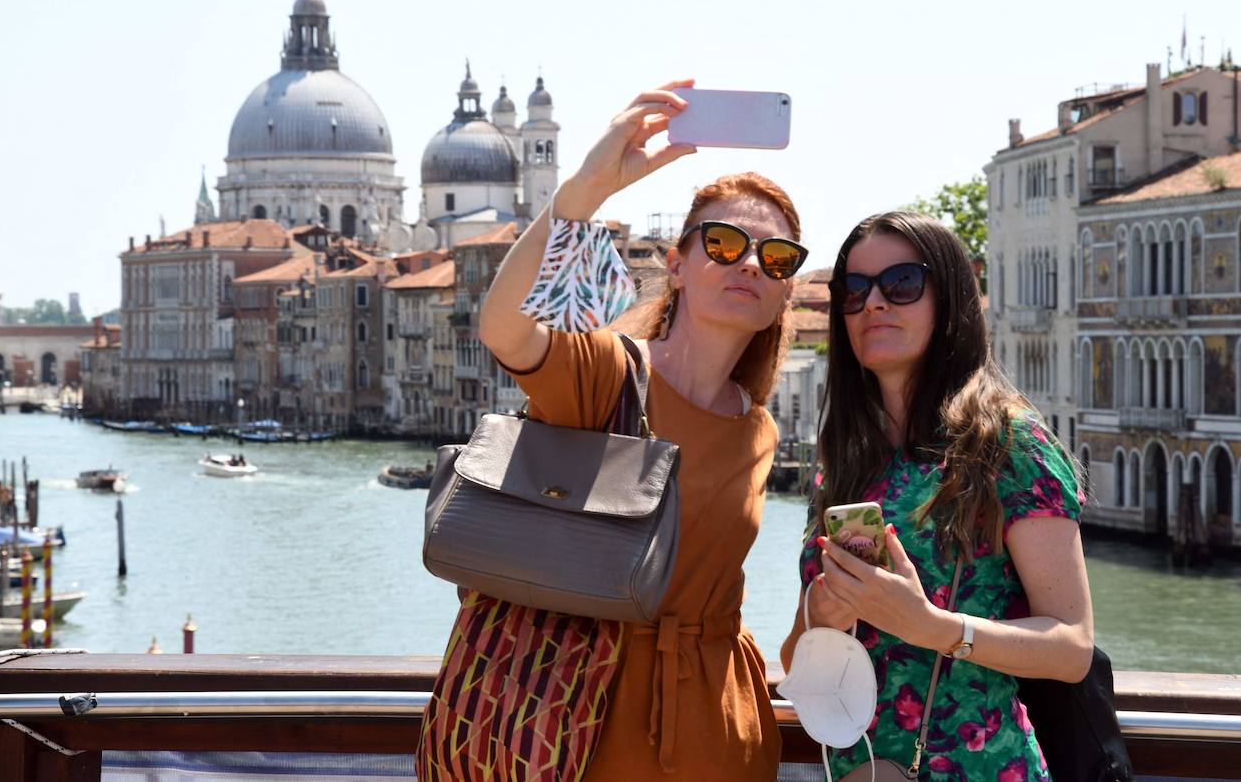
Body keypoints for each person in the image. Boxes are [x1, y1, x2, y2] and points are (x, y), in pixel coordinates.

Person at [418, 81, 806, 781]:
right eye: (724, 243)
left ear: (785, 290)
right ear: (679, 266)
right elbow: (505, 328)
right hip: (574, 727)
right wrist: (583, 193)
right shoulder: (606, 372)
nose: (750, 262)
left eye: (776, 258)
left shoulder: (760, 429)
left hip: (721, 737)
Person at [781, 211, 1094, 782]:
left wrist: (931, 626)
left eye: (901, 283)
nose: (873, 303)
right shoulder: (846, 459)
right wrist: (821, 615)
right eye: (853, 291)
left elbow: (1071, 647)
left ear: (948, 298)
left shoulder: (1009, 443)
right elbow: (795, 661)